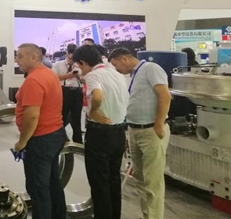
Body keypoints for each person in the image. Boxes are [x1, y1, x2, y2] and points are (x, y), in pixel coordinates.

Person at [109, 48, 172, 219]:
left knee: (153, 181)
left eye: (116, 64)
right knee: (140, 179)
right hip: (135, 130)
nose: (116, 69)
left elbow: (165, 96)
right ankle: (147, 215)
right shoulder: (133, 76)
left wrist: (158, 124)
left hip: (151, 130)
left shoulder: (151, 68)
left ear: (124, 59)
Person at [72, 45, 128, 219]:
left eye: (79, 65)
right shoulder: (117, 74)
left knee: (99, 183)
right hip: (119, 132)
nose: (80, 70)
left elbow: (97, 96)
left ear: (83, 62)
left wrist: (93, 111)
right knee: (113, 179)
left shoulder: (93, 75)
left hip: (100, 134)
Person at [14, 43, 67, 219]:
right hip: (55, 134)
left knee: (38, 188)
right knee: (52, 182)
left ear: (34, 57)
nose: (17, 60)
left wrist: (22, 142)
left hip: (40, 139)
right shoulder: (49, 74)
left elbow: (32, 116)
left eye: (20, 56)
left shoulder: (34, 80)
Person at [52, 44, 83, 144]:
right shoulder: (58, 64)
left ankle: (78, 141)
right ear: (66, 54)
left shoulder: (80, 65)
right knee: (62, 116)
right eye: (70, 59)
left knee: (77, 118)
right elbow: (53, 78)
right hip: (63, 91)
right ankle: (59, 139)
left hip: (77, 91)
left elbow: (85, 80)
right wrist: (68, 76)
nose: (72, 61)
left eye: (74, 59)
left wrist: (79, 76)